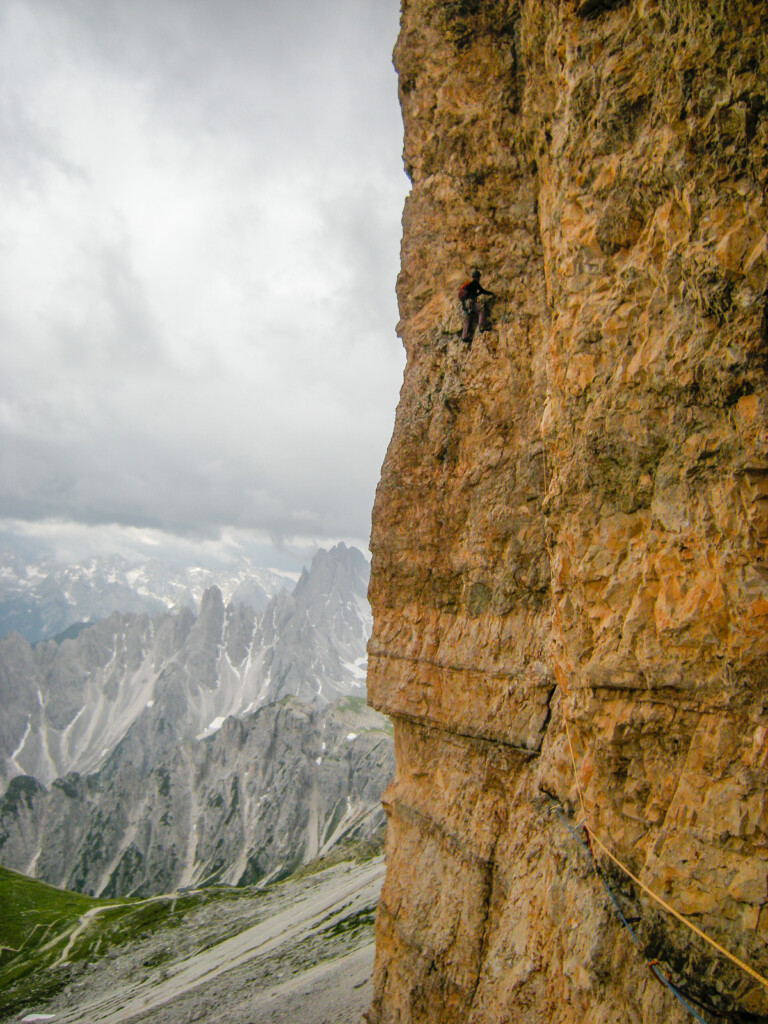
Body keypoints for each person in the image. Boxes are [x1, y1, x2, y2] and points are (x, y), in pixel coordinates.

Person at [458, 270, 494, 344]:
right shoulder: (475, 283)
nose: (479, 278)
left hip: (466, 305)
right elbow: (483, 291)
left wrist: (477, 295)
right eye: (478, 277)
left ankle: (464, 336)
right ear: (477, 277)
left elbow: (473, 295)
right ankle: (482, 326)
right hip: (471, 303)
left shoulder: (468, 286)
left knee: (468, 319)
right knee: (481, 309)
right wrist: (491, 293)